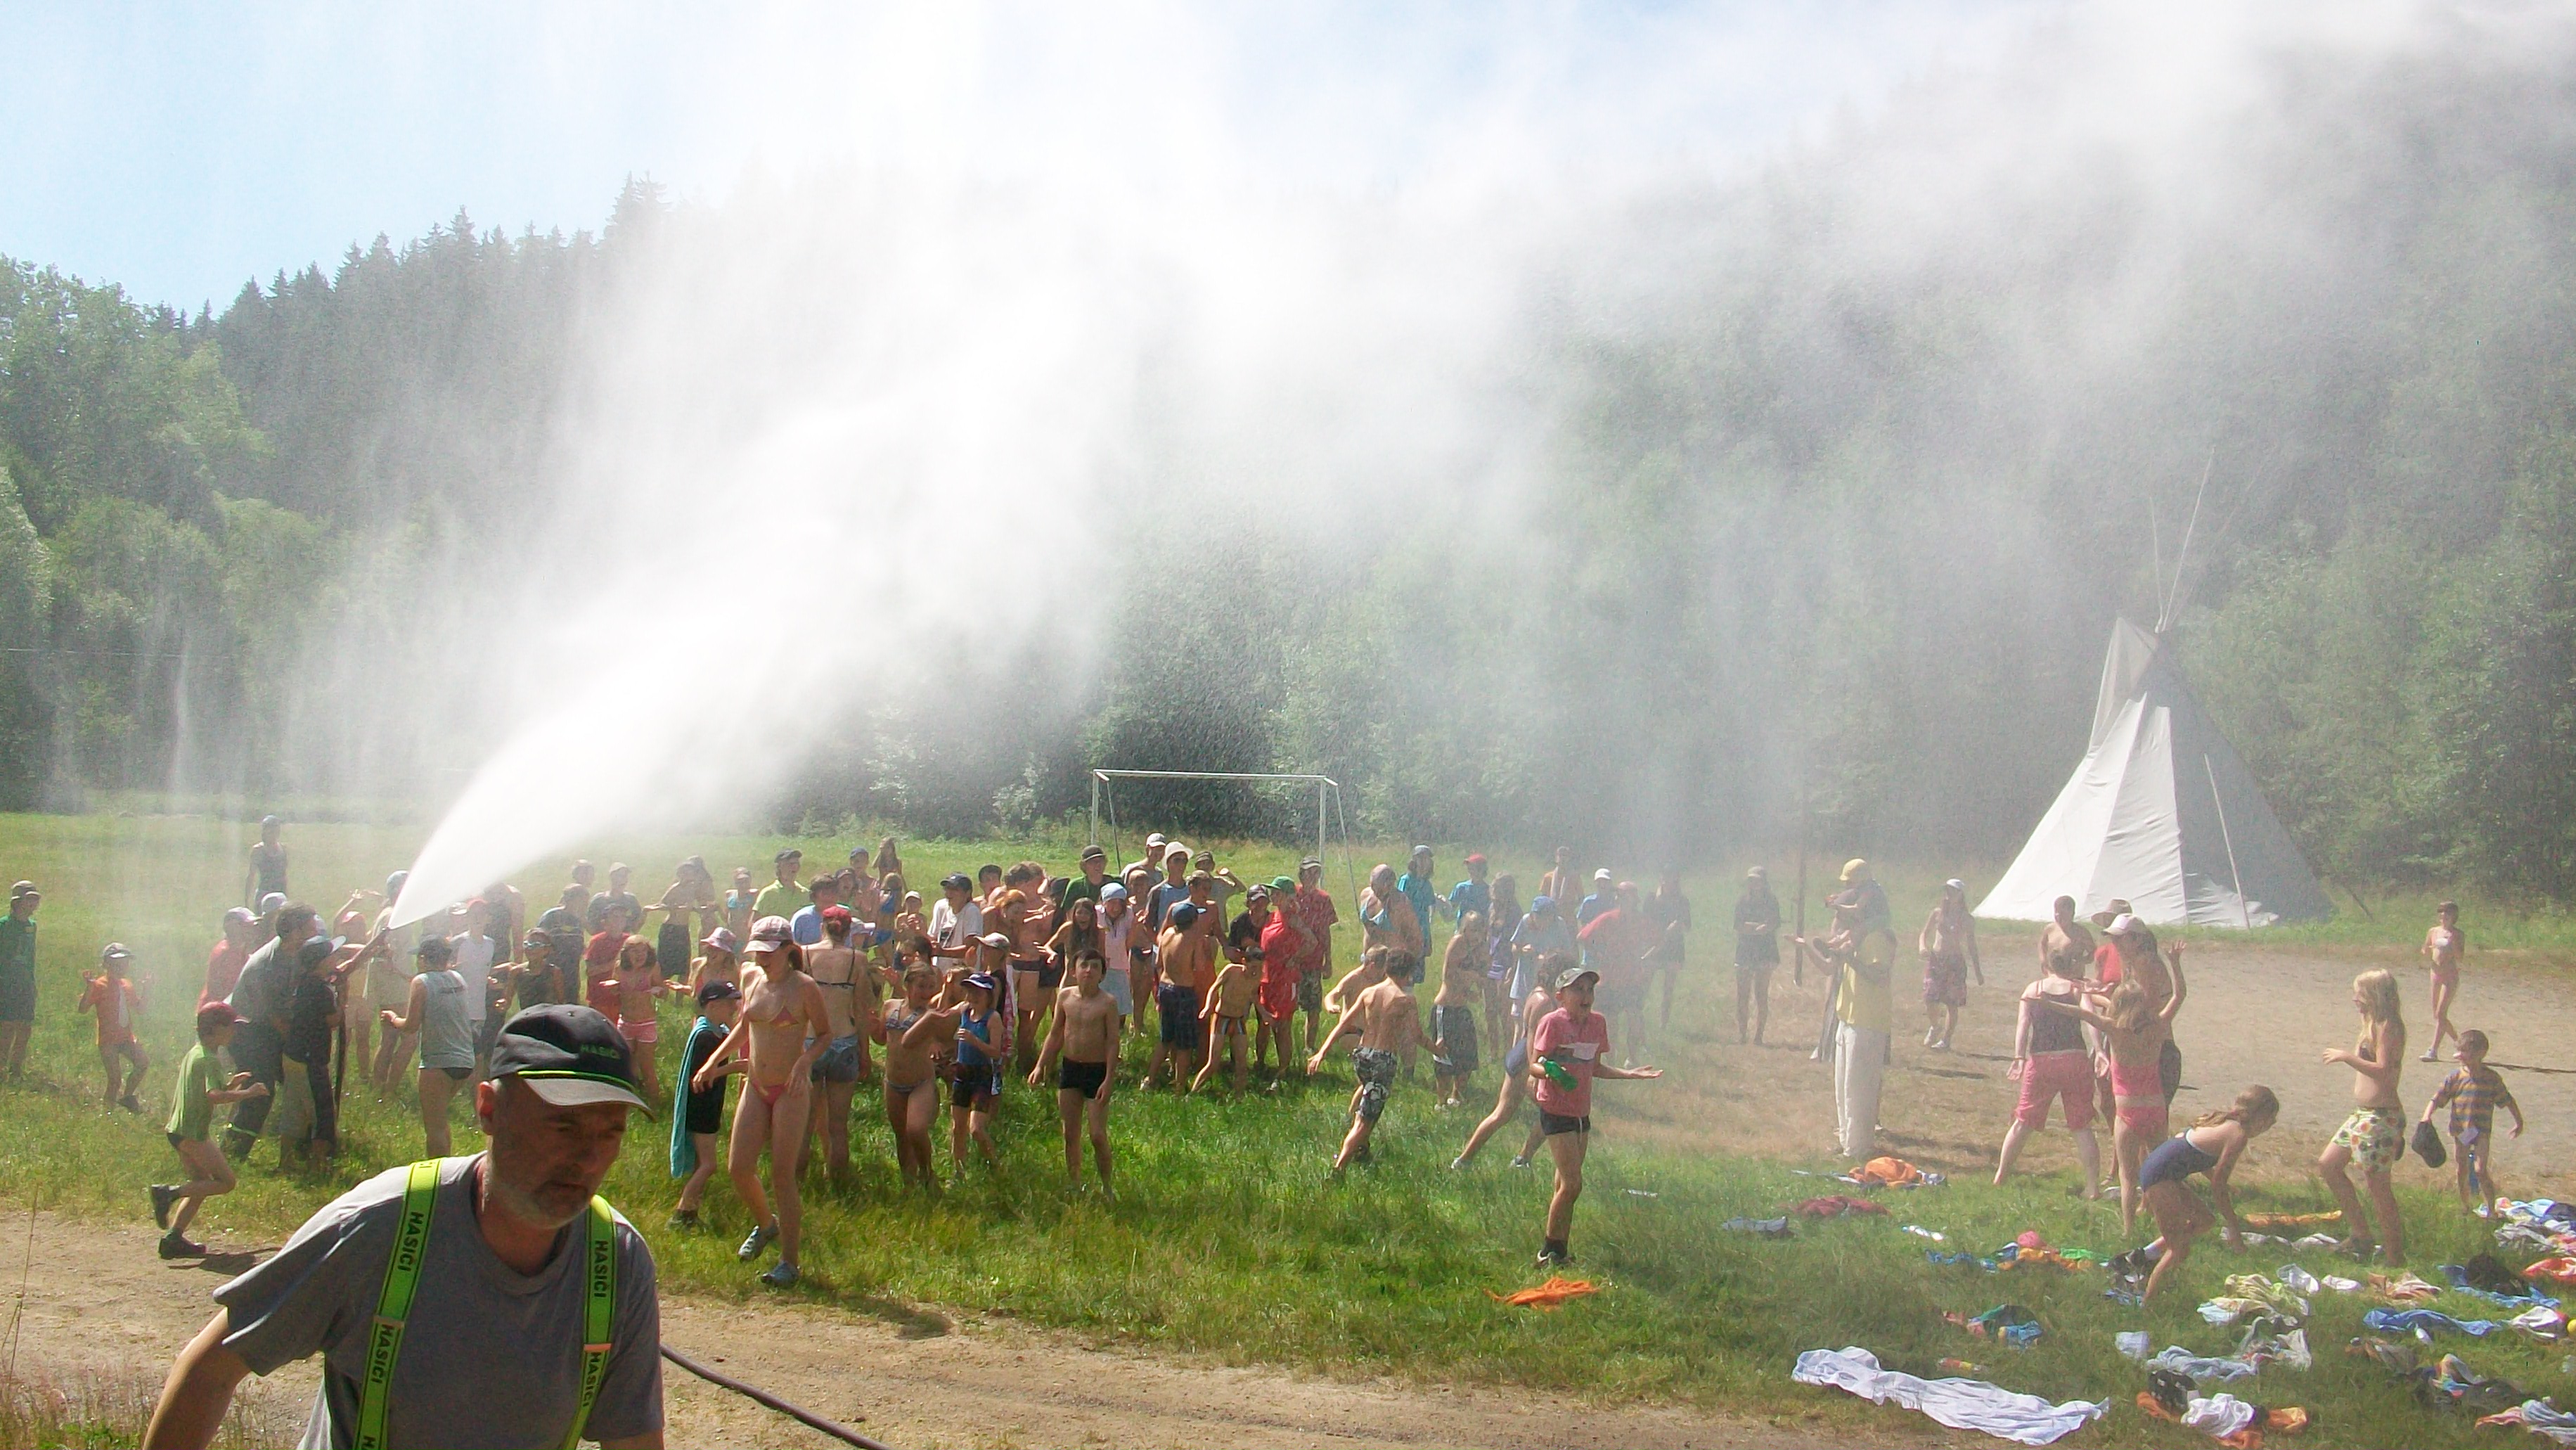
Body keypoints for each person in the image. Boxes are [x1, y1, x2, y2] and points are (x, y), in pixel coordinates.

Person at [139, 1003, 665, 1450]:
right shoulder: (378, 1226)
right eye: (564, 1125)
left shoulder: (616, 1260)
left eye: (610, 1132)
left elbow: (634, 1441)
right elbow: (209, 1370)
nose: (587, 1158)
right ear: (488, 1110)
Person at [691, 918, 828, 1287]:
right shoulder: (750, 977)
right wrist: (713, 1061)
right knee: (738, 1167)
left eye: (769, 952)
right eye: (758, 952)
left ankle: (790, 1262)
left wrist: (805, 1062)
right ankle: (767, 1225)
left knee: (782, 1174)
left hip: (790, 1089)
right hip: (756, 1084)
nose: (762, 959)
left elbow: (825, 1035)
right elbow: (744, 1026)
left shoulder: (804, 987)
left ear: (788, 950)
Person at [2032, 952, 2187, 1234]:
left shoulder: (2114, 1029)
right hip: (2156, 1108)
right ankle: (2166, 1223)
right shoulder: (2158, 1026)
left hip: (2127, 1112)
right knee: (2159, 1173)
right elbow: (2179, 996)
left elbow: (2081, 1013)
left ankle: (2128, 1230)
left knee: (2128, 1177)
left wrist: (2048, 1003)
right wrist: (2175, 964)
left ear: (2117, 1005)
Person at [1528, 964, 1662, 1265]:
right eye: (1578, 990)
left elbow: (1596, 1067)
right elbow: (1534, 1064)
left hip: (1581, 1112)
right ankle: (1548, 1252)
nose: (1585, 996)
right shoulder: (1552, 1022)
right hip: (1556, 1110)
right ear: (1561, 996)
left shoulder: (1598, 1023)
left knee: (1564, 1185)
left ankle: (1560, 1250)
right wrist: (1550, 1072)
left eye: (1589, 990)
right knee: (1573, 1184)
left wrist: (1630, 1074)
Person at [2132, 1086, 2280, 1303]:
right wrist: (2234, 1229)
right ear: (2261, 1119)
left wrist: (2219, 1183)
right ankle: (2147, 1303)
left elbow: (2196, 1155)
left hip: (2162, 1171)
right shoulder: (2237, 1136)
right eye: (2271, 1121)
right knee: (2179, 1250)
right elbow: (2219, 1188)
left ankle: (2146, 1255)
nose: (2271, 1126)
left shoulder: (2223, 1122)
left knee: (2205, 1220)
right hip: (2160, 1177)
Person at [150, 1003, 267, 1260]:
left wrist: (232, 1084)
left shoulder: (197, 1052)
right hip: (193, 1133)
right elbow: (214, 1096)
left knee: (200, 1184)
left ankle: (173, 1239)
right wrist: (248, 1093)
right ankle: (168, 1194)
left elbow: (209, 1090)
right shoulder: (210, 1059)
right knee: (226, 1182)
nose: (234, 1032)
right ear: (217, 1029)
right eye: (231, 1027)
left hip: (178, 1129)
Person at [1992, 931, 2103, 1196]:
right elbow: (2091, 1019)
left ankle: (2001, 1175)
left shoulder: (2033, 990)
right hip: (2075, 1059)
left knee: (2023, 1122)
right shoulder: (2076, 989)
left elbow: (2023, 1025)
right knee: (2081, 1126)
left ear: (2047, 966)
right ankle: (2092, 1187)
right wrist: (2099, 1051)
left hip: (2042, 1062)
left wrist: (2019, 1057)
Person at [1310, 950, 1434, 1172]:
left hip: (1363, 1056)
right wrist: (1437, 1050)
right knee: (1364, 1121)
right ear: (1408, 974)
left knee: (1369, 1104)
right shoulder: (1406, 1000)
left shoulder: (1369, 993)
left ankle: (1362, 1149)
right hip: (1382, 1061)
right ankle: (1340, 1166)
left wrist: (1322, 1052)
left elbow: (1343, 1024)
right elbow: (1416, 1035)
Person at [1798, 881, 1895, 1161]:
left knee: (1859, 1089)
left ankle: (1859, 1148)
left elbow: (1879, 976)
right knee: (1843, 1087)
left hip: (1868, 1021)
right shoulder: (1854, 938)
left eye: (1845, 912)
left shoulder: (1877, 938)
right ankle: (1846, 1142)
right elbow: (1829, 967)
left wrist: (1849, 958)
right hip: (1848, 1018)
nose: (1841, 918)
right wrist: (1807, 948)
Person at [2319, 968, 2409, 1264]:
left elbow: (2384, 1071)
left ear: (2373, 995)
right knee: (2329, 1165)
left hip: (2381, 1116)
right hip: (2362, 1114)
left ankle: (2395, 1255)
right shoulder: (2371, 1025)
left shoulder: (2389, 1026)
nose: (2355, 1000)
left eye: (2359, 994)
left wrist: (2347, 1057)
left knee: (2378, 1187)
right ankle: (2361, 1234)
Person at [221, 902, 317, 1156]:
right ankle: (234, 1151)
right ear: (295, 931)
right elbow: (274, 1016)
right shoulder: (270, 965)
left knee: (302, 1084)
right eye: (310, 927)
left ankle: (305, 1147)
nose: (316, 930)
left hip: (266, 1028)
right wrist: (297, 1046)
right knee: (260, 1091)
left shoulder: (295, 951)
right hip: (248, 1029)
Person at [1453, 955, 1564, 1170]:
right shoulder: (1544, 1001)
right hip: (1525, 1062)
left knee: (1510, 1114)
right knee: (1548, 1112)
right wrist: (1533, 1072)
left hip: (1521, 1058)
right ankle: (1512, 1159)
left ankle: (1470, 1160)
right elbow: (1532, 1039)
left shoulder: (1539, 994)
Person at [1029, 950, 1119, 1197]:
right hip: (1070, 1068)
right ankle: (1075, 1184)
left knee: (1097, 1135)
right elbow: (1055, 1034)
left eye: (1095, 967)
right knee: (1070, 1133)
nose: (1089, 970)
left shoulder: (1108, 1003)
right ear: (1073, 971)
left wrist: (1109, 1079)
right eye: (1084, 965)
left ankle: (1107, 1186)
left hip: (1096, 1071)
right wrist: (1040, 1065)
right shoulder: (1065, 997)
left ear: (1102, 975)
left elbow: (1113, 1042)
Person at [374, 935, 473, 1157]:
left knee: (434, 1128)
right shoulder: (458, 979)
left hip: (437, 1063)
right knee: (441, 1120)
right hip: (465, 1060)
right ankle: (446, 1165)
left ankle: (437, 1173)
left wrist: (392, 1018)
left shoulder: (422, 982)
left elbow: (411, 1026)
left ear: (423, 958)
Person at [799, 905, 874, 1180]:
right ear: (848, 930)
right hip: (844, 1040)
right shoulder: (858, 960)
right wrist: (865, 1052)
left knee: (804, 1124)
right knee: (838, 1125)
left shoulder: (805, 954)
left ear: (822, 926)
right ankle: (838, 1182)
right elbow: (862, 1011)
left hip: (811, 1041)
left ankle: (797, 1182)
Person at [668, 980, 742, 1230]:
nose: (734, 1007)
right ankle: (681, 1212)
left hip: (708, 1104)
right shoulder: (706, 1037)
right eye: (728, 1003)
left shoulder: (715, 1031)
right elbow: (703, 1075)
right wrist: (737, 1067)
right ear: (712, 1006)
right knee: (710, 1165)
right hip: (702, 1108)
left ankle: (691, 1212)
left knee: (702, 1163)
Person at [2423, 1028, 2522, 1216]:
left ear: (2480, 1053)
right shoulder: (2455, 1077)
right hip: (2460, 1130)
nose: (2460, 1056)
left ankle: (2491, 1210)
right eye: (2459, 1051)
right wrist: (2426, 1116)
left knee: (2480, 1169)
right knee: (2461, 1169)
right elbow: (2437, 1098)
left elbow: (2507, 1100)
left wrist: (2519, 1122)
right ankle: (2465, 1206)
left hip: (2481, 1131)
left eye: (2465, 1052)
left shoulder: (2491, 1078)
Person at [875, 963, 944, 1190]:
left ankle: (927, 1172)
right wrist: (870, 1024)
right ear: (908, 985)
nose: (927, 992)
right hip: (893, 1082)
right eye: (922, 986)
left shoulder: (931, 1015)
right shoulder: (890, 1006)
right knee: (901, 1135)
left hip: (920, 1083)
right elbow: (880, 1039)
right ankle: (909, 1183)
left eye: (931, 987)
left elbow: (942, 1036)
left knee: (915, 1129)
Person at [931, 971, 1005, 1179]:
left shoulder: (993, 1018)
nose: (972, 996)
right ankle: (959, 1172)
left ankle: (994, 1164)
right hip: (962, 1073)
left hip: (982, 1075)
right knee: (958, 1128)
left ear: (988, 996)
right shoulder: (964, 1010)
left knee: (976, 1130)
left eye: (978, 992)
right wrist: (946, 990)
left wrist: (975, 1041)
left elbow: (996, 1052)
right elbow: (941, 1017)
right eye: (970, 991)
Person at [80, 942, 148, 1111]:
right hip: (108, 1040)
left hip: (126, 1037)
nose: (122, 967)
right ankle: (108, 1111)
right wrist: (89, 988)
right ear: (106, 964)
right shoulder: (99, 985)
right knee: (115, 1079)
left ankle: (127, 1097)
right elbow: (82, 1009)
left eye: (125, 963)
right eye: (117, 963)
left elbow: (140, 1009)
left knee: (142, 1063)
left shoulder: (127, 985)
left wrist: (147, 989)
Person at [1917, 878, 1983, 1052]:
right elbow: (1924, 933)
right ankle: (1935, 1026)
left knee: (1952, 1003)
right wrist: (1922, 946)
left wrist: (1978, 972)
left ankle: (1946, 1040)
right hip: (1936, 960)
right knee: (1929, 997)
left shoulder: (1967, 919)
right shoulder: (1937, 913)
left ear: (1960, 895)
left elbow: (1972, 946)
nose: (1949, 894)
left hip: (1955, 962)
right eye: (1947, 890)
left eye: (1953, 891)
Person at [598, 935, 664, 1105]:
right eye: (635, 951)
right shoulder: (620, 968)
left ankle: (656, 1104)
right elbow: (616, 990)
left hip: (646, 1023)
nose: (640, 955)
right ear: (626, 954)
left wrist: (658, 991)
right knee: (627, 1064)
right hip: (626, 1022)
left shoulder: (652, 968)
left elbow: (664, 992)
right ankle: (630, 1100)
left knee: (646, 1066)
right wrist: (613, 988)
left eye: (643, 951)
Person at [1152, 902, 1210, 1091]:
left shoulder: (1167, 934)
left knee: (1166, 1039)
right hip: (1183, 991)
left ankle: (1149, 1079)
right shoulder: (1194, 938)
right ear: (1193, 920)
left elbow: (1158, 962)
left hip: (1165, 987)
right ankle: (1180, 1086)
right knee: (1184, 1044)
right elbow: (1200, 966)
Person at [1429, 913, 1486, 1108]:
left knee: (1468, 1055)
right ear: (1465, 929)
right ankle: (1441, 1103)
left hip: (1462, 1008)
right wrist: (1471, 976)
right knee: (1444, 1055)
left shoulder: (1476, 948)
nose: (1476, 935)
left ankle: (1456, 1097)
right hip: (1446, 1009)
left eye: (1479, 931)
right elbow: (1448, 975)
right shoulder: (1458, 942)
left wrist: (1469, 992)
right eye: (1473, 930)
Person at [1194, 932, 1258, 1096]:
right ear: (1244, 962)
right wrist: (1208, 1007)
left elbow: (1253, 996)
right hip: (1222, 1017)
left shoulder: (1258, 977)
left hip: (1238, 1020)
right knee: (1213, 1063)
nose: (1256, 971)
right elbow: (1214, 987)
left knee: (1242, 1064)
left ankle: (1238, 1097)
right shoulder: (1231, 970)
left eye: (1259, 968)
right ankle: (1193, 1093)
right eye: (1253, 967)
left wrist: (1265, 1014)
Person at [1256, 878, 1308, 1077]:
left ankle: (1283, 1070)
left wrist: (1295, 959)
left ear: (1288, 896)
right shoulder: (1271, 917)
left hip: (1285, 980)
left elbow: (1311, 941)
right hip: (1267, 977)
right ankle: (1260, 1063)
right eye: (1272, 892)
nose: (1273, 896)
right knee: (1264, 1022)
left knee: (1283, 1025)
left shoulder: (1293, 919)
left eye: (1277, 893)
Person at [1290, 858, 1339, 1060]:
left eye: (1316, 872)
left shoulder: (1323, 899)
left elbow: (1326, 931)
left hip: (1314, 960)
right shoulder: (1292, 894)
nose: (1313, 876)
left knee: (1314, 1007)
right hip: (1292, 960)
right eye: (1309, 872)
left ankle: (1309, 1047)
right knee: (1288, 1005)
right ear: (1301, 874)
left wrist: (1328, 960)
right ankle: (1286, 1046)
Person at [1731, 868, 1779, 1045]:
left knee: (1761, 994)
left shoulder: (1771, 901)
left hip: (1765, 951)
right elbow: (1738, 925)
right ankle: (1742, 1034)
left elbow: (1774, 923)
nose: (1753, 884)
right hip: (1745, 950)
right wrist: (1756, 928)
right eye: (1751, 880)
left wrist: (1760, 928)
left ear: (1764, 882)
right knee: (1742, 995)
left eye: (1757, 880)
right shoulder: (1742, 901)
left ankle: (1759, 1035)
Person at [1642, 868, 1692, 1033]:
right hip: (1654, 947)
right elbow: (1644, 922)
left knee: (1668, 989)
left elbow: (1687, 926)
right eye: (1667, 879)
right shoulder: (1651, 899)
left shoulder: (1682, 901)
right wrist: (1659, 933)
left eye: (1674, 880)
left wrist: (1678, 926)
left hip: (1674, 949)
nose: (1671, 883)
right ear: (1662, 880)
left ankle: (1663, 1024)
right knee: (1645, 985)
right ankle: (1639, 1019)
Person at [1508, 895, 1574, 1007]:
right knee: (1520, 1012)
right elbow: (1514, 948)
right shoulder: (1525, 921)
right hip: (1526, 977)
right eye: (1538, 917)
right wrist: (1522, 950)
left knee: (1546, 1008)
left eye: (1546, 917)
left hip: (1549, 979)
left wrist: (1549, 957)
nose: (1542, 921)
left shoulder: (1559, 924)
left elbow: (1567, 952)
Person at [0, 881, 37, 1082]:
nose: (33, 904)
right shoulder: (4, 925)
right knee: (7, 1028)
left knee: (25, 1027)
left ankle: (16, 1070)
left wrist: (32, 982)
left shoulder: (32, 926)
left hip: (25, 985)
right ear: (17, 902)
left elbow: (31, 957)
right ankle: (1, 1067)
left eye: (35, 899)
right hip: (7, 984)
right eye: (29, 899)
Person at [1481, 873, 1520, 1061]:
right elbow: (1488, 936)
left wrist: (1512, 969)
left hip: (1506, 965)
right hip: (1490, 963)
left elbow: (1517, 943)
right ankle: (1493, 1051)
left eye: (1498, 889)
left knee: (1505, 1012)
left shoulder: (1515, 913)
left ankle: (1508, 1051)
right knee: (1489, 1010)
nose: (1494, 892)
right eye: (1494, 888)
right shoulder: (1491, 908)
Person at [2421, 901, 2466, 1063]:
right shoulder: (2433, 931)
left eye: (2447, 913)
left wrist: (2452, 943)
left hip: (2450, 975)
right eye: (2441, 912)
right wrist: (2429, 949)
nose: (2443, 916)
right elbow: (2425, 949)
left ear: (2454, 916)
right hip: (2435, 974)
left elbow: (2460, 957)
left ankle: (2433, 1050)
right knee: (2437, 1015)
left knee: (2441, 1013)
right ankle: (2461, 1044)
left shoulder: (2458, 934)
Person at [1358, 863, 1424, 961]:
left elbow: (1416, 937)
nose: (1376, 891)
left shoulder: (1401, 904)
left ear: (1390, 885)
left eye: (1379, 888)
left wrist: (1408, 963)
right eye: (1373, 886)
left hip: (1391, 961)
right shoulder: (1365, 895)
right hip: (1369, 959)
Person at [1093, 885, 1136, 1032]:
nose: (1116, 908)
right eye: (1112, 902)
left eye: (1119, 903)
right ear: (1104, 901)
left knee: (1120, 1005)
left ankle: (1118, 1035)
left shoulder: (1128, 914)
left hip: (1120, 965)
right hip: (1100, 967)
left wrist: (1136, 927)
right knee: (1099, 1004)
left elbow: (1128, 945)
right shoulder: (1096, 913)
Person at [201, 906, 257, 1010]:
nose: (252, 930)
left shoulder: (237, 949)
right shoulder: (227, 953)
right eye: (247, 926)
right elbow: (230, 990)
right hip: (219, 1012)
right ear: (234, 929)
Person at [1396, 846, 1445, 944]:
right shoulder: (1406, 880)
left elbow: (1431, 903)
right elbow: (1400, 903)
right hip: (1409, 928)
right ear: (1414, 860)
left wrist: (1430, 919)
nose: (1424, 862)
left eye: (1427, 859)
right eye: (1421, 858)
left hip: (1423, 928)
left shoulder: (1426, 884)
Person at [243, 815, 288, 908]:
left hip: (280, 895)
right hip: (264, 895)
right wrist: (246, 901)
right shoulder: (258, 851)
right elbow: (251, 876)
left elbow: (284, 875)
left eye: (277, 829)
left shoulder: (283, 849)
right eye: (271, 830)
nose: (275, 833)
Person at [588, 864, 643, 939]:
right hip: (603, 943)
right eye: (620, 876)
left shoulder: (631, 900)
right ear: (612, 877)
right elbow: (592, 929)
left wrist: (645, 912)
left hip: (624, 942)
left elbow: (635, 929)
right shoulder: (598, 900)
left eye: (625, 876)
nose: (624, 879)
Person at [752, 849, 805, 925]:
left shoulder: (805, 893)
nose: (793, 867)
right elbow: (754, 924)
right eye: (789, 864)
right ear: (779, 866)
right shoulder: (769, 893)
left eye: (796, 863)